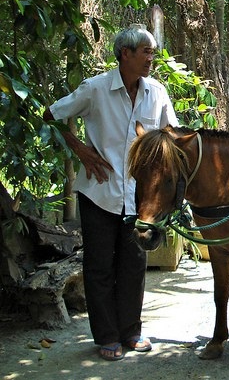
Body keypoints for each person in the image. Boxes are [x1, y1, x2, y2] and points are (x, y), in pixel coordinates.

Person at [43, 24, 178, 361]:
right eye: (145, 52)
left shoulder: (157, 93)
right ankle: (106, 336)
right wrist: (80, 150)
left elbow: (171, 132)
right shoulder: (96, 89)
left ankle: (131, 331)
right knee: (100, 265)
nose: (151, 58)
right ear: (125, 54)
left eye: (152, 51)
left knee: (134, 263)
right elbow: (53, 114)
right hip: (99, 193)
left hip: (138, 197)